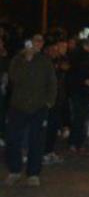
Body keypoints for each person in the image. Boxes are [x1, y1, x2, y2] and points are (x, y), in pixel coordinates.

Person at [4, 35, 56, 187]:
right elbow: (14, 78)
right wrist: (27, 59)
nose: (38, 44)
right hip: (18, 106)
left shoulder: (45, 61)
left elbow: (52, 83)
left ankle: (33, 173)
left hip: (39, 107)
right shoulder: (17, 60)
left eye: (41, 41)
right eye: (35, 41)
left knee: (37, 141)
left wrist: (49, 102)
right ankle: (14, 171)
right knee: (13, 140)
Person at [66, 38, 89, 156]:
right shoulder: (80, 57)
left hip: (82, 91)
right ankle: (77, 143)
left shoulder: (83, 56)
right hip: (80, 91)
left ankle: (76, 143)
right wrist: (86, 81)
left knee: (81, 118)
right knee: (80, 118)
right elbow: (76, 74)